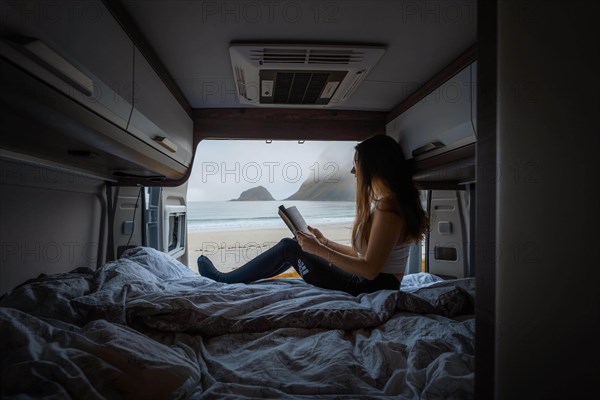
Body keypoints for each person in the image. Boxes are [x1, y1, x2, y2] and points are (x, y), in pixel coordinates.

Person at [198, 134, 429, 296]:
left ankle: (224, 280)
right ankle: (227, 279)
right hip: (369, 282)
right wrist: (324, 242)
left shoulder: (389, 210)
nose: (352, 171)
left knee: (289, 248)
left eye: (356, 164)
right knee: (292, 247)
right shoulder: (387, 205)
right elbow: (362, 255)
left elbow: (369, 269)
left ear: (373, 167)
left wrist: (318, 250)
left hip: (368, 287)